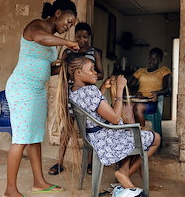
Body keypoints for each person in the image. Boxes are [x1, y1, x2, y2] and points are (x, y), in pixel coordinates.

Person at [4, 0, 79, 197]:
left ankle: (39, 182)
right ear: (58, 13)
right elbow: (40, 38)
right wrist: (68, 42)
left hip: (37, 90)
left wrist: (64, 65)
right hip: (22, 88)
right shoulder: (36, 26)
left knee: (34, 138)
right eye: (68, 21)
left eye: (71, 25)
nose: (68, 26)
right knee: (21, 139)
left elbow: (46, 68)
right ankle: (10, 190)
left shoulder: (52, 38)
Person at [54, 53, 161, 189]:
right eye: (91, 69)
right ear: (78, 73)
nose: (95, 72)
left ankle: (123, 173)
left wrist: (103, 87)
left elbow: (91, 105)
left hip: (93, 137)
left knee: (130, 132)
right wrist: (120, 89)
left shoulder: (74, 91)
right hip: (106, 139)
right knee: (155, 138)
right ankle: (124, 173)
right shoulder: (90, 91)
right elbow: (115, 119)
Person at [48, 22, 103, 176]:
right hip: (70, 95)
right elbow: (62, 71)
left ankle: (90, 162)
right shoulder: (68, 52)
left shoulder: (94, 52)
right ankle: (59, 162)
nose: (81, 39)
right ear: (74, 36)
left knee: (90, 129)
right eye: (78, 36)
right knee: (66, 128)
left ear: (89, 37)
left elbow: (101, 74)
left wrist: (86, 75)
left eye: (85, 37)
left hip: (87, 96)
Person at [128, 47, 171, 128]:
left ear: (160, 60)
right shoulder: (140, 71)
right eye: (150, 58)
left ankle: (143, 134)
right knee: (124, 107)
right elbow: (129, 86)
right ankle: (131, 134)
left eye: (155, 58)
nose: (152, 60)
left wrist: (157, 93)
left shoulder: (164, 71)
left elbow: (167, 90)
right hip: (139, 100)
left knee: (137, 107)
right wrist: (137, 92)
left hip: (153, 103)